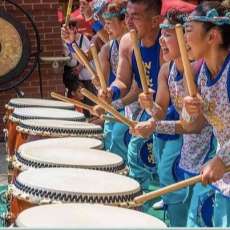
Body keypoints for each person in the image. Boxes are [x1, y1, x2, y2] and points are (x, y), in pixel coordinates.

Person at [132, 7, 217, 227]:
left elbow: (196, 125)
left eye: (167, 34)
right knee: (181, 213)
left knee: (200, 218)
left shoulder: (201, 70)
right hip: (187, 154)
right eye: (161, 34)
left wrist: (156, 126)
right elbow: (160, 108)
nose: (161, 40)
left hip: (211, 156)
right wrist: (150, 111)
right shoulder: (165, 70)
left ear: (183, 37)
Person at [182, 1, 230, 227]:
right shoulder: (202, 74)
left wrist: (222, 158)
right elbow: (190, 125)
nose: (184, 38)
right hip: (223, 175)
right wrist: (189, 109)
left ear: (212, 37)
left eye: (189, 30)